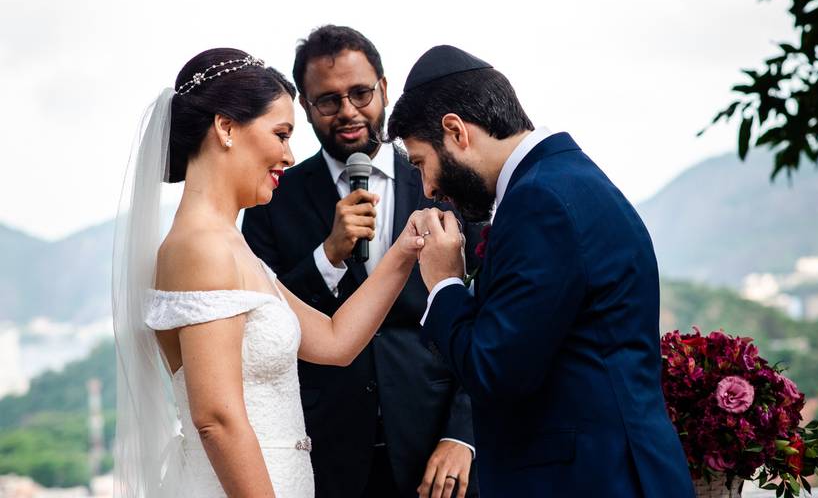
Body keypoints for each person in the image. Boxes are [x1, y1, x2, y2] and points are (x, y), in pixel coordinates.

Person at [112, 48, 431, 498]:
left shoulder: (230, 244)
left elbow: (335, 340)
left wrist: (406, 248)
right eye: (280, 134)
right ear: (225, 128)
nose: (288, 154)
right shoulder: (200, 247)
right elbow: (217, 420)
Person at [387, 45, 696, 497]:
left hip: (592, 480)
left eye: (421, 163)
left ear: (455, 131)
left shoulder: (539, 201)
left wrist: (445, 282)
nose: (429, 187)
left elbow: (495, 371)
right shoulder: (560, 180)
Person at [242, 26, 479, 498]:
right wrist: (326, 256)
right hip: (327, 453)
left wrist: (463, 434)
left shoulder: (447, 182)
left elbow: (490, 312)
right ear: (306, 108)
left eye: (360, 93)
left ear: (384, 89)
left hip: (436, 448)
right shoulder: (271, 198)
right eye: (327, 100)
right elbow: (262, 321)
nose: (348, 111)